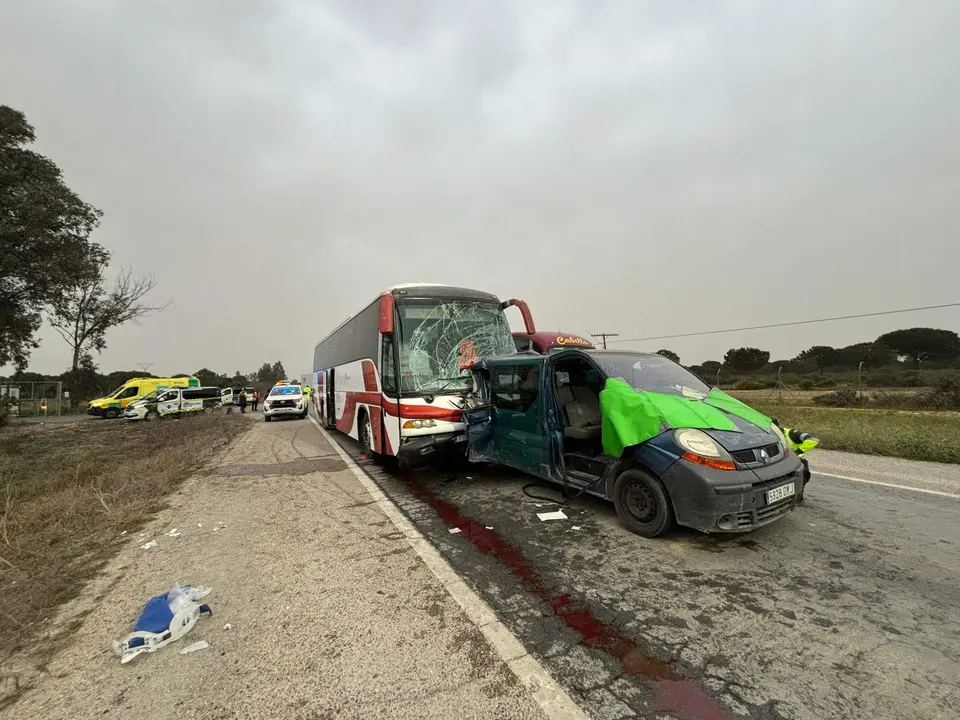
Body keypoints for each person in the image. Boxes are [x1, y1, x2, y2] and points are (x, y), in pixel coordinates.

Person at [772, 418, 819, 503]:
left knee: (801, 479)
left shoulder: (791, 433)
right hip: (781, 462)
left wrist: (798, 451)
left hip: (797, 461)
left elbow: (813, 440)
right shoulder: (767, 436)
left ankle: (798, 497)